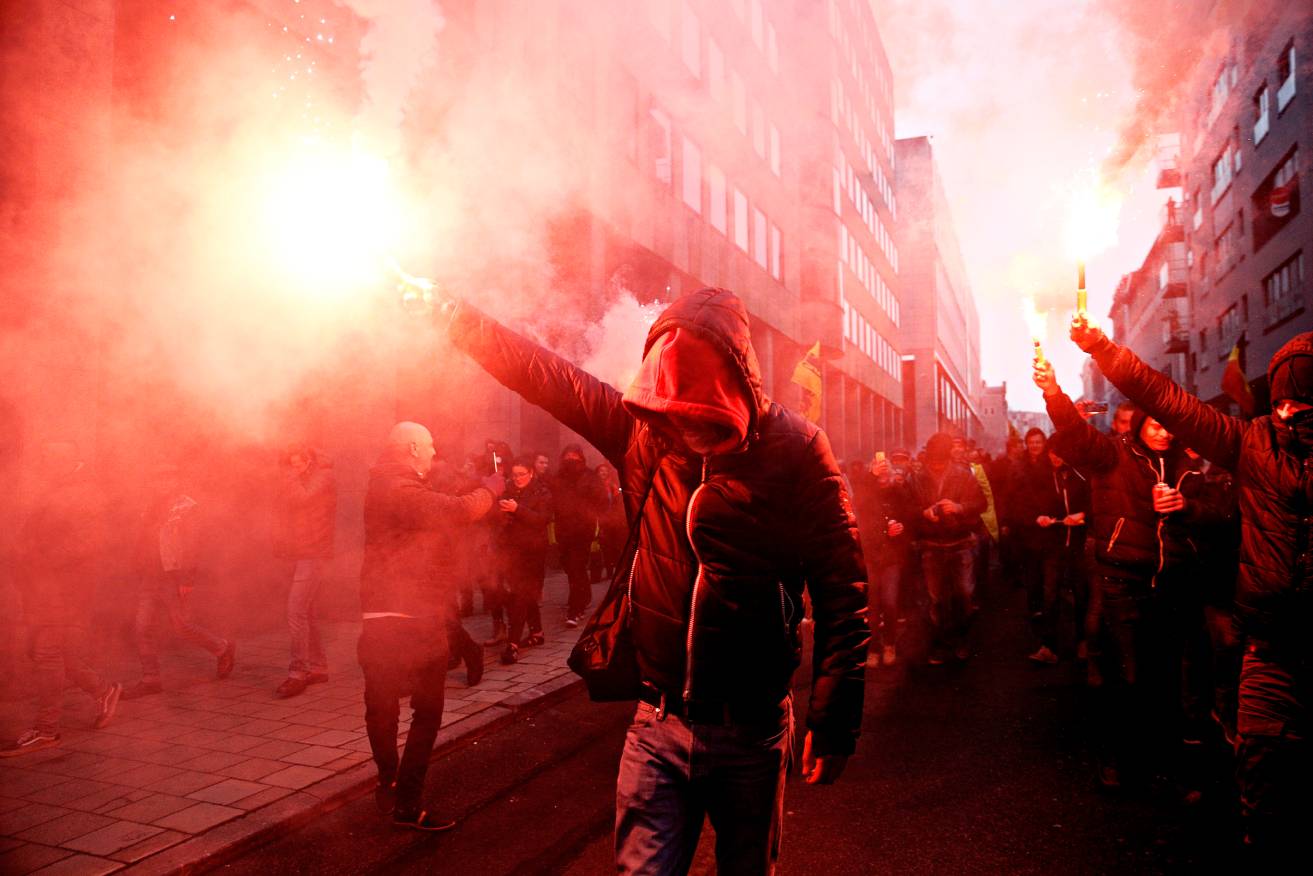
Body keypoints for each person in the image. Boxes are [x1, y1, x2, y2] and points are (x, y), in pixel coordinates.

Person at [431, 285, 868, 874]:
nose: (686, 432)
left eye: (703, 419)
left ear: (733, 387)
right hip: (655, 725)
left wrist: (834, 715)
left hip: (753, 730)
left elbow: (845, 591)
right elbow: (547, 375)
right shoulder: (643, 432)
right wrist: (451, 311)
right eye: (675, 414)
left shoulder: (800, 449)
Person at [1067, 321, 1313, 857]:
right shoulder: (1252, 443)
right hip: (1268, 643)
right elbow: (1164, 395)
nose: (1292, 412)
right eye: (1287, 398)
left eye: (1304, 401)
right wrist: (1103, 349)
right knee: (1262, 766)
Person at [1034, 353, 1222, 790]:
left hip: (1174, 583)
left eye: (1169, 426)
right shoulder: (1112, 454)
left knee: (1169, 676)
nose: (1164, 433)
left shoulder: (1187, 465)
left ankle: (1165, 760)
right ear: (1140, 425)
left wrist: (1187, 506)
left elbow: (1218, 513)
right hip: (1124, 581)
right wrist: (1052, 392)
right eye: (1155, 425)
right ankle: (1117, 757)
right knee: (1131, 674)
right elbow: (1076, 435)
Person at [358, 422, 503, 831]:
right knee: (426, 710)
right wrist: (490, 489)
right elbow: (455, 512)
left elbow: (437, 514)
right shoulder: (397, 488)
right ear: (411, 448)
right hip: (413, 614)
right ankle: (404, 797)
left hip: (383, 611)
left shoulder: (386, 484)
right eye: (430, 447)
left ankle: (389, 780)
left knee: (382, 707)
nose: (434, 453)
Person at [2, 442, 121, 756]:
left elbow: (87, 545)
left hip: (66, 590)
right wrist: (21, 557)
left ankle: (47, 729)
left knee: (47, 653)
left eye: (51, 459)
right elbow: (31, 535)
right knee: (60, 655)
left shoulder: (84, 495)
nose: (45, 465)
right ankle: (103, 690)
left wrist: (39, 559)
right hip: (45, 589)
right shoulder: (57, 492)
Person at [123, 464, 234, 699]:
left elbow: (193, 545)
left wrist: (187, 578)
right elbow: (142, 539)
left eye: (167, 479)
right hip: (150, 574)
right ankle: (150, 679)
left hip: (173, 574)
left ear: (176, 482)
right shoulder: (149, 507)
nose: (161, 484)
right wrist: (135, 564)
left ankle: (222, 648)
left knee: (181, 625)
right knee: (142, 628)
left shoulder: (187, 508)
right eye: (158, 479)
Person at [909, 432, 987, 665]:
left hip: (961, 542)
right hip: (931, 544)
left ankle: (961, 639)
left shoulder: (964, 476)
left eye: (940, 461)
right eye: (933, 461)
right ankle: (940, 643)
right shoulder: (917, 479)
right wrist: (924, 513)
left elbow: (981, 503)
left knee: (963, 595)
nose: (936, 465)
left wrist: (959, 508)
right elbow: (906, 508)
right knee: (936, 598)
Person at [271, 444, 337, 699]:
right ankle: (319, 668)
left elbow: (302, 499)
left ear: (309, 460)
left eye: (297, 464)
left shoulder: (324, 476)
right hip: (300, 553)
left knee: (295, 611)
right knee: (306, 612)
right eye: (290, 465)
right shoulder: (302, 477)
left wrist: (289, 477)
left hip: (314, 553)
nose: (293, 470)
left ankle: (298, 672)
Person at [853, 453, 913, 668]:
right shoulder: (866, 490)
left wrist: (902, 528)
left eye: (886, 469)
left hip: (891, 556)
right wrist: (871, 477)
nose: (883, 475)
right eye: (879, 470)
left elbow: (910, 514)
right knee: (872, 605)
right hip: (870, 555)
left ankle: (889, 643)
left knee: (889, 603)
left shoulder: (899, 492)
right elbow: (858, 503)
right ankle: (874, 648)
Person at [497, 457, 553, 664]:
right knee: (524, 593)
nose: (518, 478)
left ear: (531, 473)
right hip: (512, 550)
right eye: (514, 475)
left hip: (533, 551)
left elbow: (542, 519)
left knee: (520, 595)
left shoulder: (542, 491)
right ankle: (537, 633)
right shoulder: (509, 489)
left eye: (522, 474)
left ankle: (512, 644)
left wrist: (517, 509)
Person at [553, 443, 606, 627]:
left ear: (581, 458)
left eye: (574, 457)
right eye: (568, 456)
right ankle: (584, 596)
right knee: (571, 568)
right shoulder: (558, 477)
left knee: (577, 567)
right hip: (563, 530)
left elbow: (600, 501)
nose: (571, 460)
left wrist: (588, 513)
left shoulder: (590, 477)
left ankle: (575, 609)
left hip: (582, 530)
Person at [595, 462, 627, 582]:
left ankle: (618, 571)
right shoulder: (593, 486)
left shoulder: (613, 486)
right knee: (605, 547)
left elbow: (618, 502)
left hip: (614, 521)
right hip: (600, 520)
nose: (603, 472)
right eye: (601, 471)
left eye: (605, 470)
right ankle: (609, 572)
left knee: (615, 547)